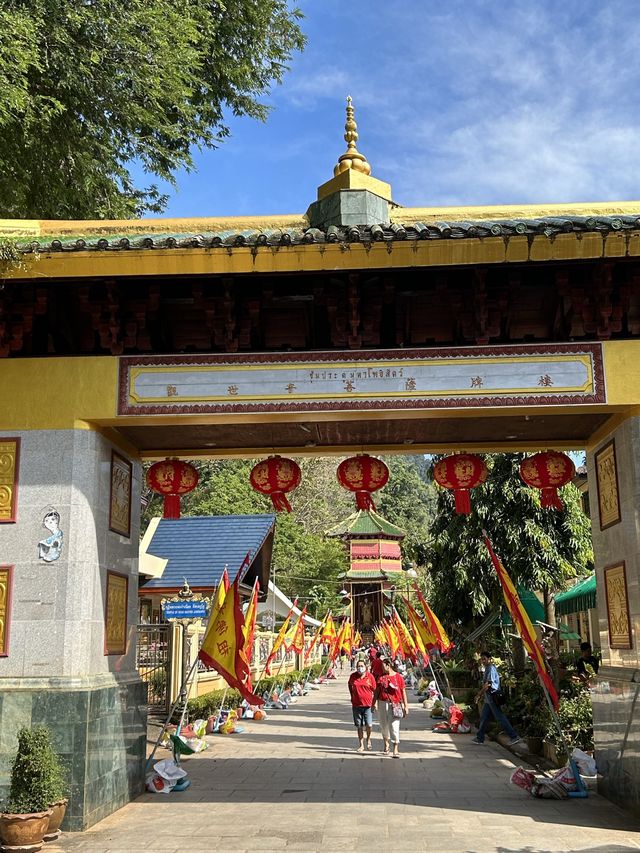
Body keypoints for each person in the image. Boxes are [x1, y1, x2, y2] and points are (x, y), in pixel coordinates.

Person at [471, 651, 522, 746]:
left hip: (492, 697)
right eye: (482, 659)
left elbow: (488, 684)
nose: (483, 661)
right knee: (484, 718)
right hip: (488, 699)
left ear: (489, 659)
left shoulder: (490, 668)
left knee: (500, 717)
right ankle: (480, 737)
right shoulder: (488, 668)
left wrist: (479, 694)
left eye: (484, 659)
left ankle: (514, 736)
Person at [372, 658, 408, 757]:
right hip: (382, 703)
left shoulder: (398, 677)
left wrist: (406, 706)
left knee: (394, 726)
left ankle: (395, 748)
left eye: (383, 666)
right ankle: (386, 744)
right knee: (383, 725)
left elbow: (403, 691)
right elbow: (376, 692)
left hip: (395, 704)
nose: (382, 669)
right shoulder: (381, 677)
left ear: (388, 665)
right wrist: (373, 703)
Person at [348, 659, 376, 752]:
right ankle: (361, 745)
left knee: (369, 724)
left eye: (361, 666)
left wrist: (374, 703)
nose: (360, 668)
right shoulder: (353, 676)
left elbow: (375, 690)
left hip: (368, 705)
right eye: (358, 666)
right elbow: (350, 685)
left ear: (365, 667)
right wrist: (352, 696)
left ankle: (368, 739)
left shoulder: (370, 677)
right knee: (359, 725)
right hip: (356, 705)